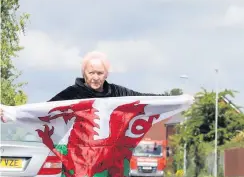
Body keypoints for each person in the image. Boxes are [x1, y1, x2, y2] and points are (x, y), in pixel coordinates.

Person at [1, 51, 160, 119]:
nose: (96, 78)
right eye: (91, 73)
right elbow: (45, 110)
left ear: (106, 74)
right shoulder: (72, 93)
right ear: (84, 73)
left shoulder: (116, 91)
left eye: (100, 73)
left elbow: (143, 99)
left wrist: (177, 99)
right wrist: (12, 112)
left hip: (108, 156)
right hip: (78, 155)